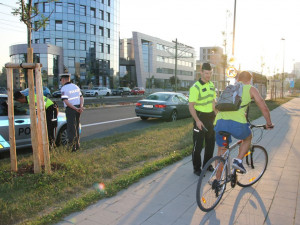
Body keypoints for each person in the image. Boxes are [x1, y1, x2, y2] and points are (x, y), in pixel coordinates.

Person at [214, 71, 274, 173]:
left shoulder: (229, 88)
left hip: (220, 122)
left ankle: (218, 183)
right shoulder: (251, 89)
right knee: (248, 137)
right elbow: (263, 106)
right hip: (236, 124)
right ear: (250, 80)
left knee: (221, 153)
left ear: (238, 79)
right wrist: (269, 123)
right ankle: (237, 161)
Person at [189, 62, 217, 176]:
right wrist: (197, 121)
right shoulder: (195, 87)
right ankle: (197, 168)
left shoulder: (212, 85)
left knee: (210, 144)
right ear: (201, 72)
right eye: (206, 73)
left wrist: (217, 116)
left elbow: (213, 102)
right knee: (198, 145)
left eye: (210, 73)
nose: (208, 76)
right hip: (200, 118)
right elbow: (191, 106)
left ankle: (207, 165)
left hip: (211, 118)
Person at [60, 74, 84, 152]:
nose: (61, 82)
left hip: (71, 109)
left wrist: (75, 108)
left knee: (71, 128)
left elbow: (66, 101)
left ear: (63, 80)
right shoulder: (76, 86)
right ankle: (77, 145)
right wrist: (80, 107)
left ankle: (72, 147)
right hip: (78, 109)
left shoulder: (64, 88)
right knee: (76, 126)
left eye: (61, 80)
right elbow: (81, 97)